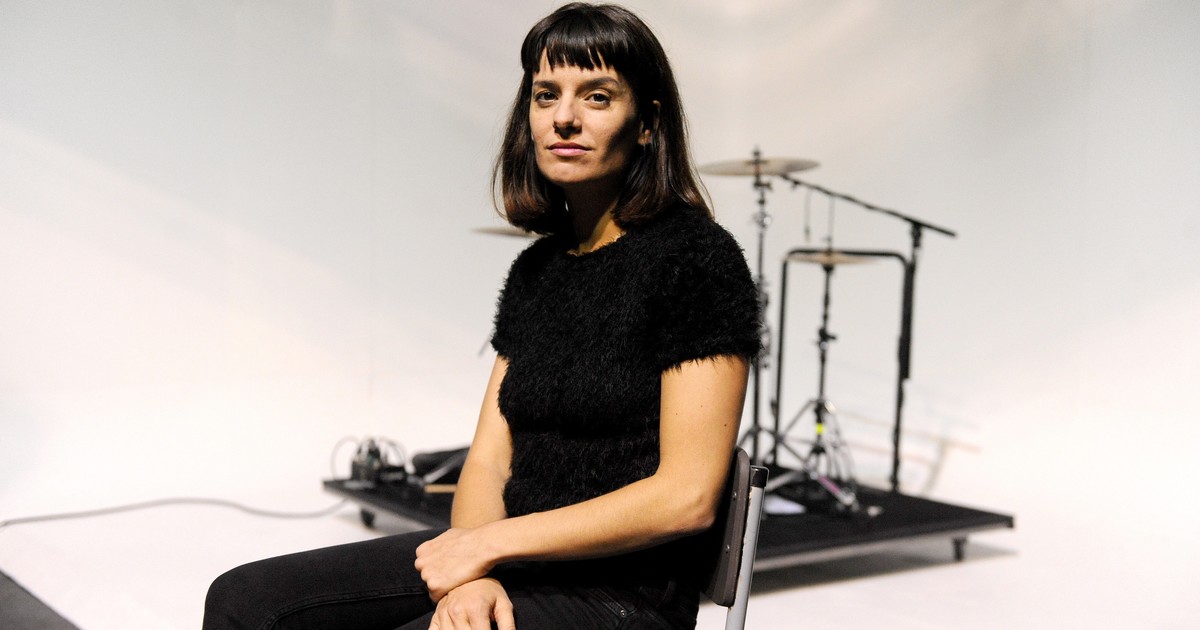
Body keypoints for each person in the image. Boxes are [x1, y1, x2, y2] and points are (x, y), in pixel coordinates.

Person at [202, 3, 760, 629]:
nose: (565, 117)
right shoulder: (538, 271)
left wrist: (487, 547)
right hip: (515, 560)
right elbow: (489, 460)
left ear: (648, 124)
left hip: (622, 594)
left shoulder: (697, 261)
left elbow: (686, 498)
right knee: (243, 601)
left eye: (597, 96)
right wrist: (473, 573)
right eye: (546, 95)